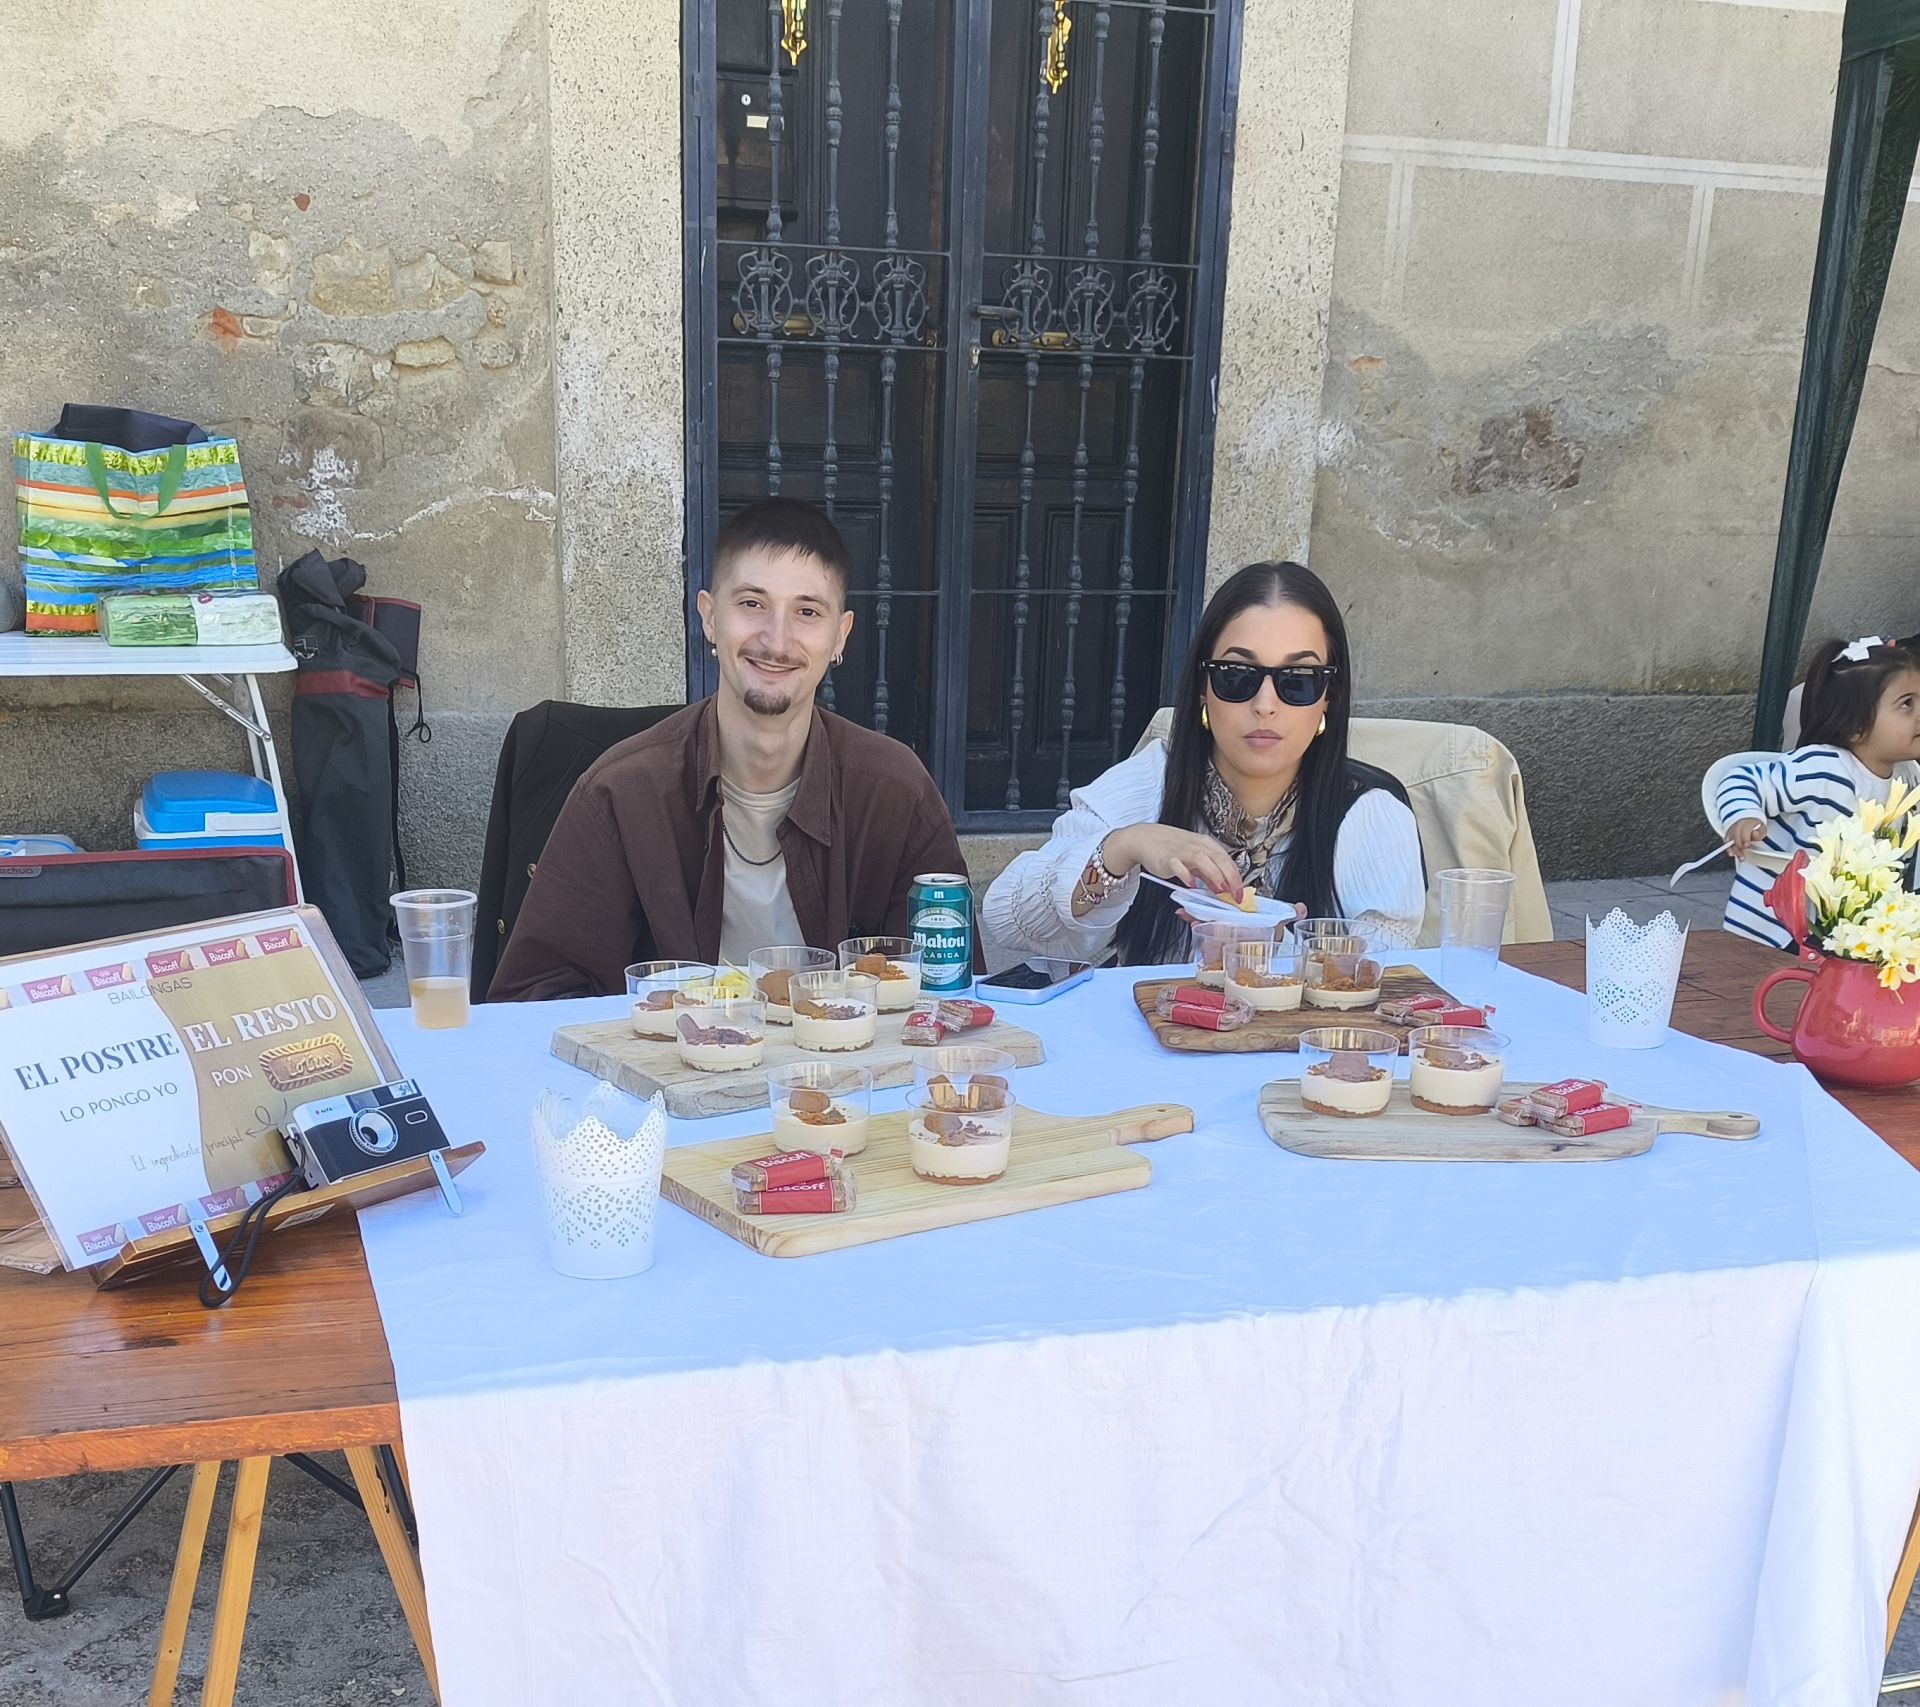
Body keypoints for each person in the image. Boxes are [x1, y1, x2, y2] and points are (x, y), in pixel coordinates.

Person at [491, 498, 966, 999]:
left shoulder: (895, 791)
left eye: (807, 612)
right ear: (710, 618)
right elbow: (533, 1000)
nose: (776, 640)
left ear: (840, 635)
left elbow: (949, 995)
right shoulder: (621, 793)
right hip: (668, 1071)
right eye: (752, 604)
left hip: (844, 1070)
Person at [983, 560, 1425, 965]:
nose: (1265, 704)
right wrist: (1121, 850)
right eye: (1237, 676)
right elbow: (1010, 921)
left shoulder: (1369, 815)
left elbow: (1388, 965)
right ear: (1202, 687)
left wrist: (1273, 950)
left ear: (1330, 696)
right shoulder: (1147, 787)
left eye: (1298, 680)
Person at [1714, 635, 1920, 949]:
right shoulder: (1823, 768)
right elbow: (1740, 779)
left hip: (1848, 925)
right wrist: (1744, 815)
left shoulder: (1908, 774)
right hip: (1777, 926)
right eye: (1907, 704)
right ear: (1856, 726)